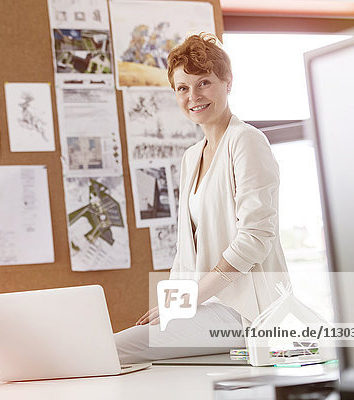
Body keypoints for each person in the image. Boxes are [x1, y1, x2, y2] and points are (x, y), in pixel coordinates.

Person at [115, 33, 290, 363]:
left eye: (204, 83)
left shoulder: (246, 141)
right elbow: (185, 250)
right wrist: (173, 304)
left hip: (245, 311)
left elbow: (255, 238)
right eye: (182, 88)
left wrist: (190, 298)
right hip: (206, 308)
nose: (192, 96)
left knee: (112, 348)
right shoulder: (192, 156)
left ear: (227, 82)